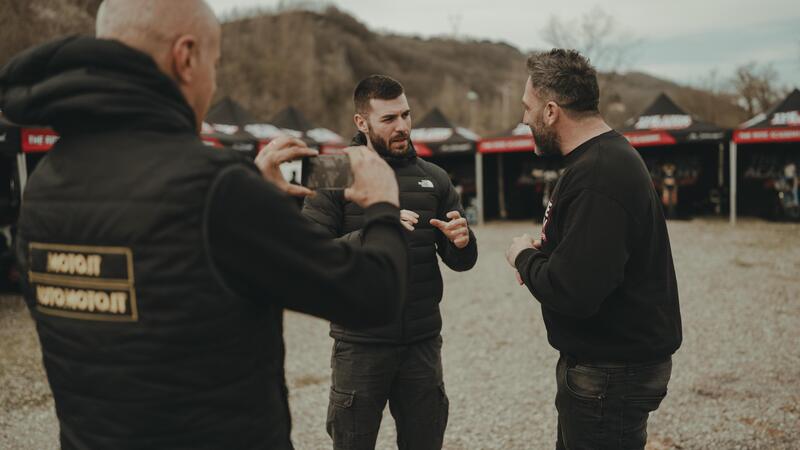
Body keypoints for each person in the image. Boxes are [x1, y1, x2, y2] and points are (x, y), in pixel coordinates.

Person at [0, 1, 409, 449]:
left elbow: (161, 279)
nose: (212, 83)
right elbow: (373, 295)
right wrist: (383, 205)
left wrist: (252, 189)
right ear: (187, 56)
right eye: (214, 66)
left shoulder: (44, 184)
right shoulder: (215, 189)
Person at [504, 49, 682, 450]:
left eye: (527, 108)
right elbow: (596, 260)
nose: (523, 120)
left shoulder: (599, 174)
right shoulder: (602, 160)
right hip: (608, 369)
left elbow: (574, 291)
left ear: (551, 112)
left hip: (610, 374)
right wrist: (549, 253)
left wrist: (522, 255)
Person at [302, 75, 478, 450]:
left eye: (406, 115)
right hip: (359, 345)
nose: (402, 127)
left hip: (422, 345)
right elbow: (309, 254)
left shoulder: (435, 177)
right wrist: (374, 231)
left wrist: (462, 242)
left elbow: (461, 262)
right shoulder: (332, 171)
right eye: (389, 119)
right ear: (361, 122)